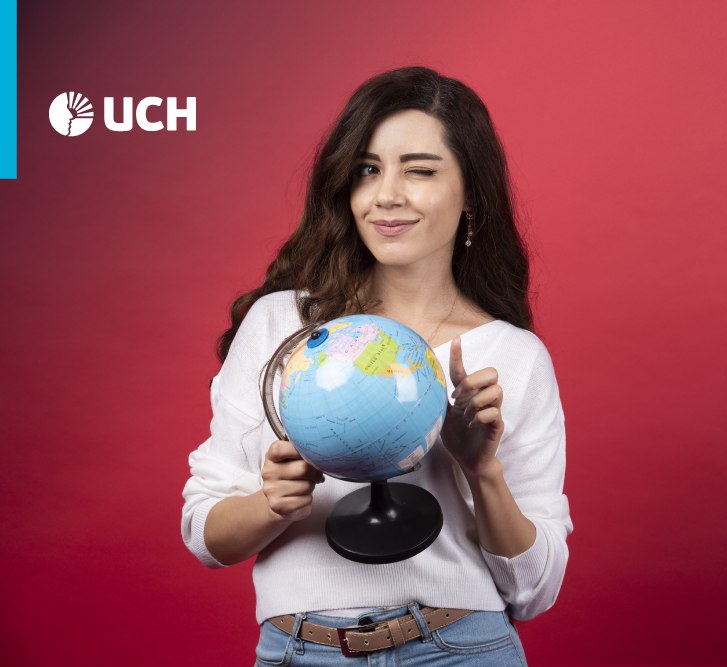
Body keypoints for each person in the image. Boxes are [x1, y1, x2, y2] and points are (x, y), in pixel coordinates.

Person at [181, 66, 571, 666]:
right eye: (368, 170)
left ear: (472, 194)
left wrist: (481, 471)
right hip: (300, 652)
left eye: (419, 170)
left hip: (459, 648)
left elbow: (534, 590)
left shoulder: (513, 358)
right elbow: (206, 534)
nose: (388, 194)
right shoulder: (282, 328)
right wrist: (271, 503)